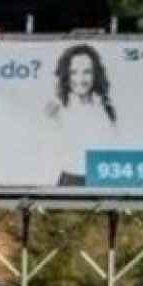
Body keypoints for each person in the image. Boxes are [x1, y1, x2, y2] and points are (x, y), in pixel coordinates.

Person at [46, 43, 118, 185]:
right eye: (73, 72)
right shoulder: (55, 109)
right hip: (71, 179)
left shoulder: (105, 108)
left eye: (87, 72)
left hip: (102, 179)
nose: (80, 79)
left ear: (95, 74)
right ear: (66, 75)